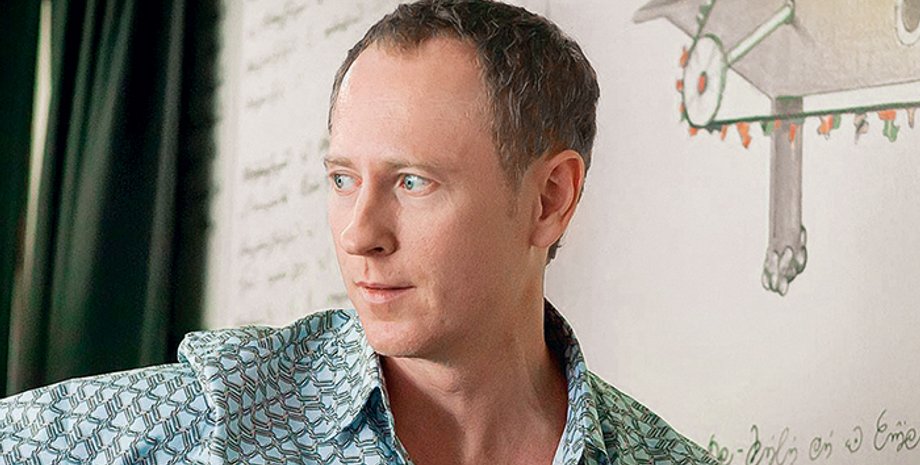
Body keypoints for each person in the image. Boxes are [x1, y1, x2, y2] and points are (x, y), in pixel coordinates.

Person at [0, 1, 718, 464]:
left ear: (549, 199)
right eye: (343, 179)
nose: (358, 234)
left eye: (412, 182)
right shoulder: (219, 418)